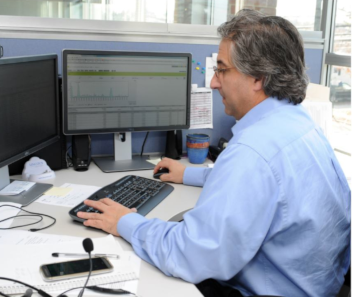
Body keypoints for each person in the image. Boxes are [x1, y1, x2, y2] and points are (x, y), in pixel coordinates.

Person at [77, 9, 351, 297]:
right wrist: (191, 174)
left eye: (221, 69)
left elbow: (191, 255)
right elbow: (271, 188)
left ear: (258, 77)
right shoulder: (301, 124)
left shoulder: (252, 152)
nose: (213, 82)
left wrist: (126, 222)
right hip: (319, 286)